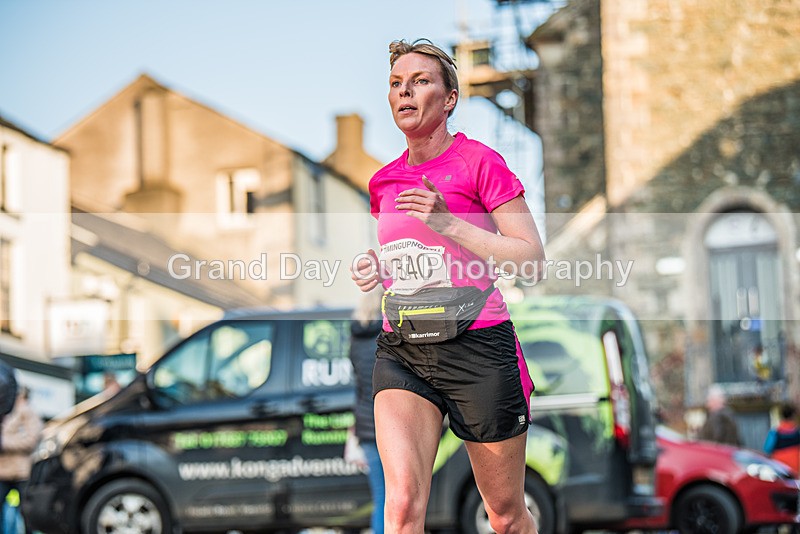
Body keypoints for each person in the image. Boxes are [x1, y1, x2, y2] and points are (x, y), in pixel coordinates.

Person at [350, 38, 544, 534]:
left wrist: (450, 223)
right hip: (405, 347)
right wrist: (376, 268)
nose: (405, 92)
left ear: (450, 98)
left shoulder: (480, 162)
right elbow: (411, 259)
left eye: (420, 81)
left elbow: (532, 260)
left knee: (505, 516)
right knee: (400, 507)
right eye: (396, 83)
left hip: (478, 345)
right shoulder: (384, 182)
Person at [348, 290, 386, 534]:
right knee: (399, 495)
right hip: (390, 423)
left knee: (380, 497)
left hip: (365, 425)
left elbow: (359, 384)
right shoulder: (388, 335)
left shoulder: (355, 338)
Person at [0, 386, 43, 534]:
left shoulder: (29, 413)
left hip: (22, 472)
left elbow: (31, 441)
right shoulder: (5, 411)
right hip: (2, 471)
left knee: (26, 512)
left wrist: (4, 442)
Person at [763, 403, 800, 472]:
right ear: (793, 416)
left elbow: (767, 449)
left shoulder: (775, 432)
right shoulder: (797, 432)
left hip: (780, 467)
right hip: (795, 467)